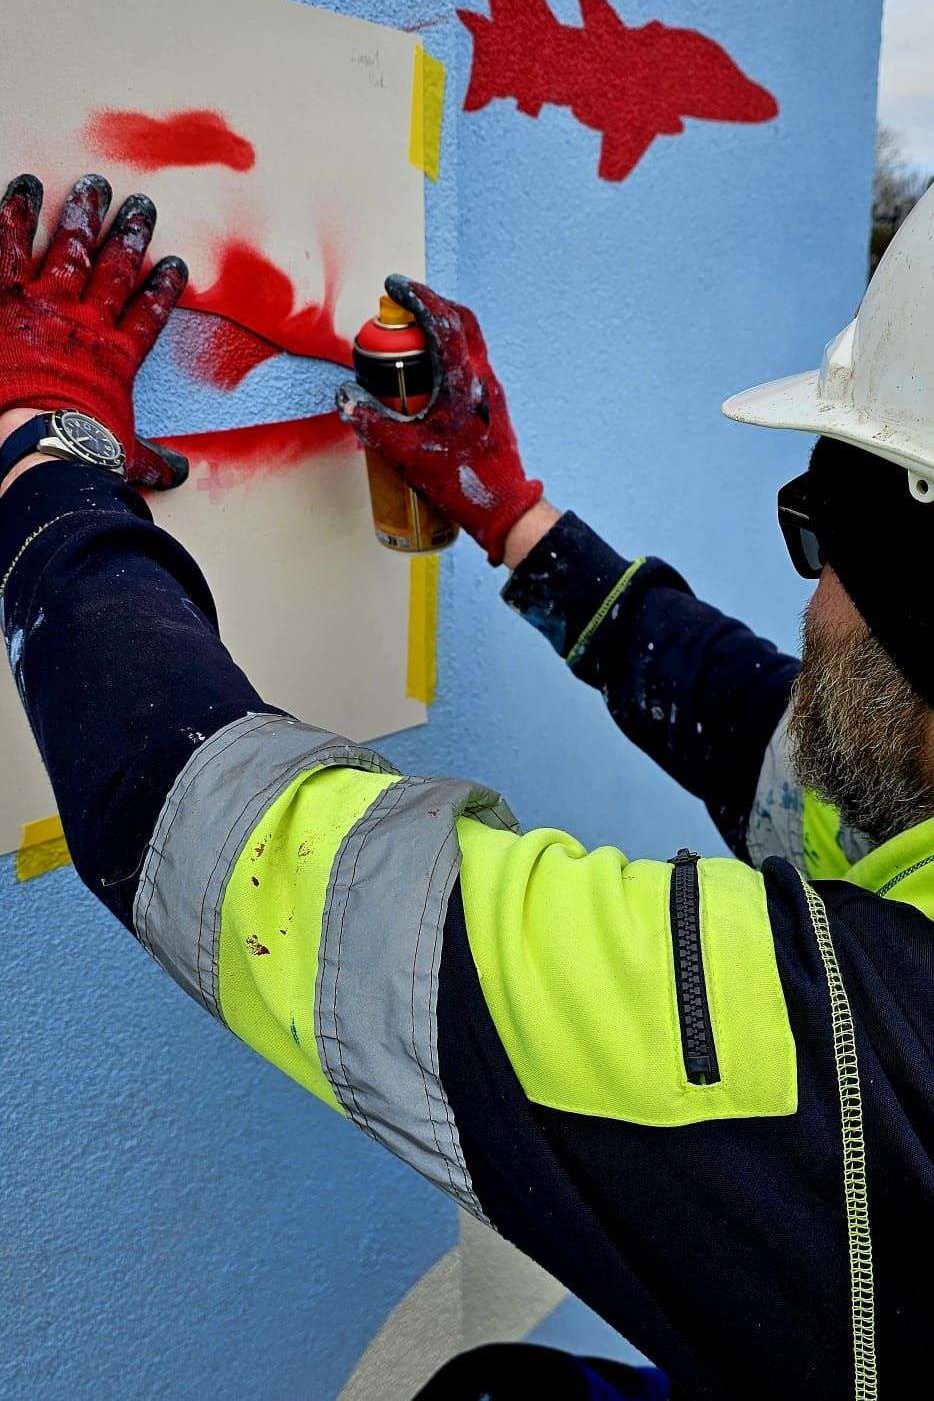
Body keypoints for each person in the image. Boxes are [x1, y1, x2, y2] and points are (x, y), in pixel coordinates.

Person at [0, 170, 929, 1401]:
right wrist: (513, 516)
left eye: (823, 545)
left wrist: (44, 450)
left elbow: (236, 842)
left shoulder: (857, 1059)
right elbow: (779, 748)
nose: (807, 601)